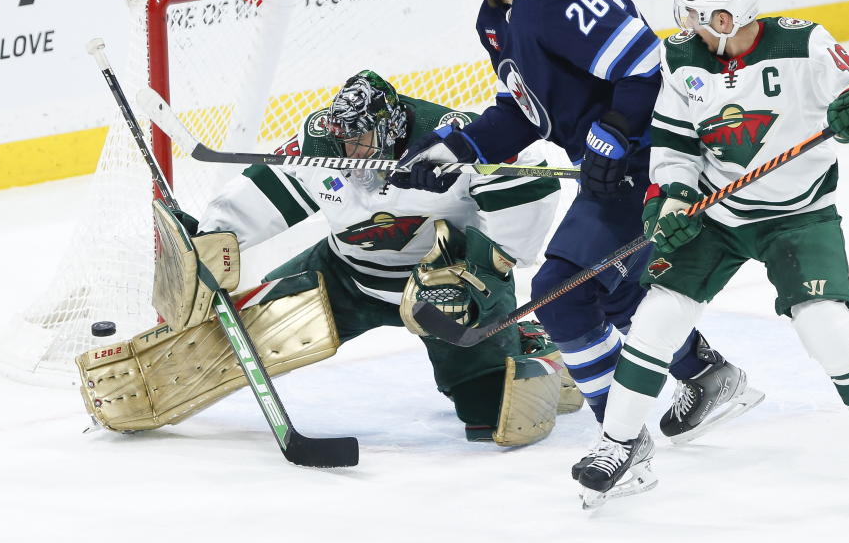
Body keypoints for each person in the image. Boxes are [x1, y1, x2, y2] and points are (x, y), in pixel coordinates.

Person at [389, 0, 763, 481]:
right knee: (612, 293)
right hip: (611, 169)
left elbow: (643, 62)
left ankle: (622, 440)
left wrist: (615, 134)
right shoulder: (497, 21)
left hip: (652, 162)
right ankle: (709, 374)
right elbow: (525, 114)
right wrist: (454, 148)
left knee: (561, 292)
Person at [576, 0, 849, 510]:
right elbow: (675, 144)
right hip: (719, 216)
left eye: (699, 15)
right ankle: (619, 445)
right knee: (658, 315)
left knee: (826, 328)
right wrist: (675, 195)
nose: (687, 25)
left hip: (799, 214)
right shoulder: (681, 57)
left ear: (729, 16)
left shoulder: (805, 45)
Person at [78, 70, 580, 447]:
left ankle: (535, 349)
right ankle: (152, 384)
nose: (347, 149)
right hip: (344, 276)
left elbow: (531, 180)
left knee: (489, 414)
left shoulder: (449, 136)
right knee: (234, 338)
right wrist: (215, 236)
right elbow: (271, 189)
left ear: (390, 128)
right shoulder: (323, 141)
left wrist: (488, 260)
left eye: (359, 139)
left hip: (442, 283)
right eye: (342, 138)